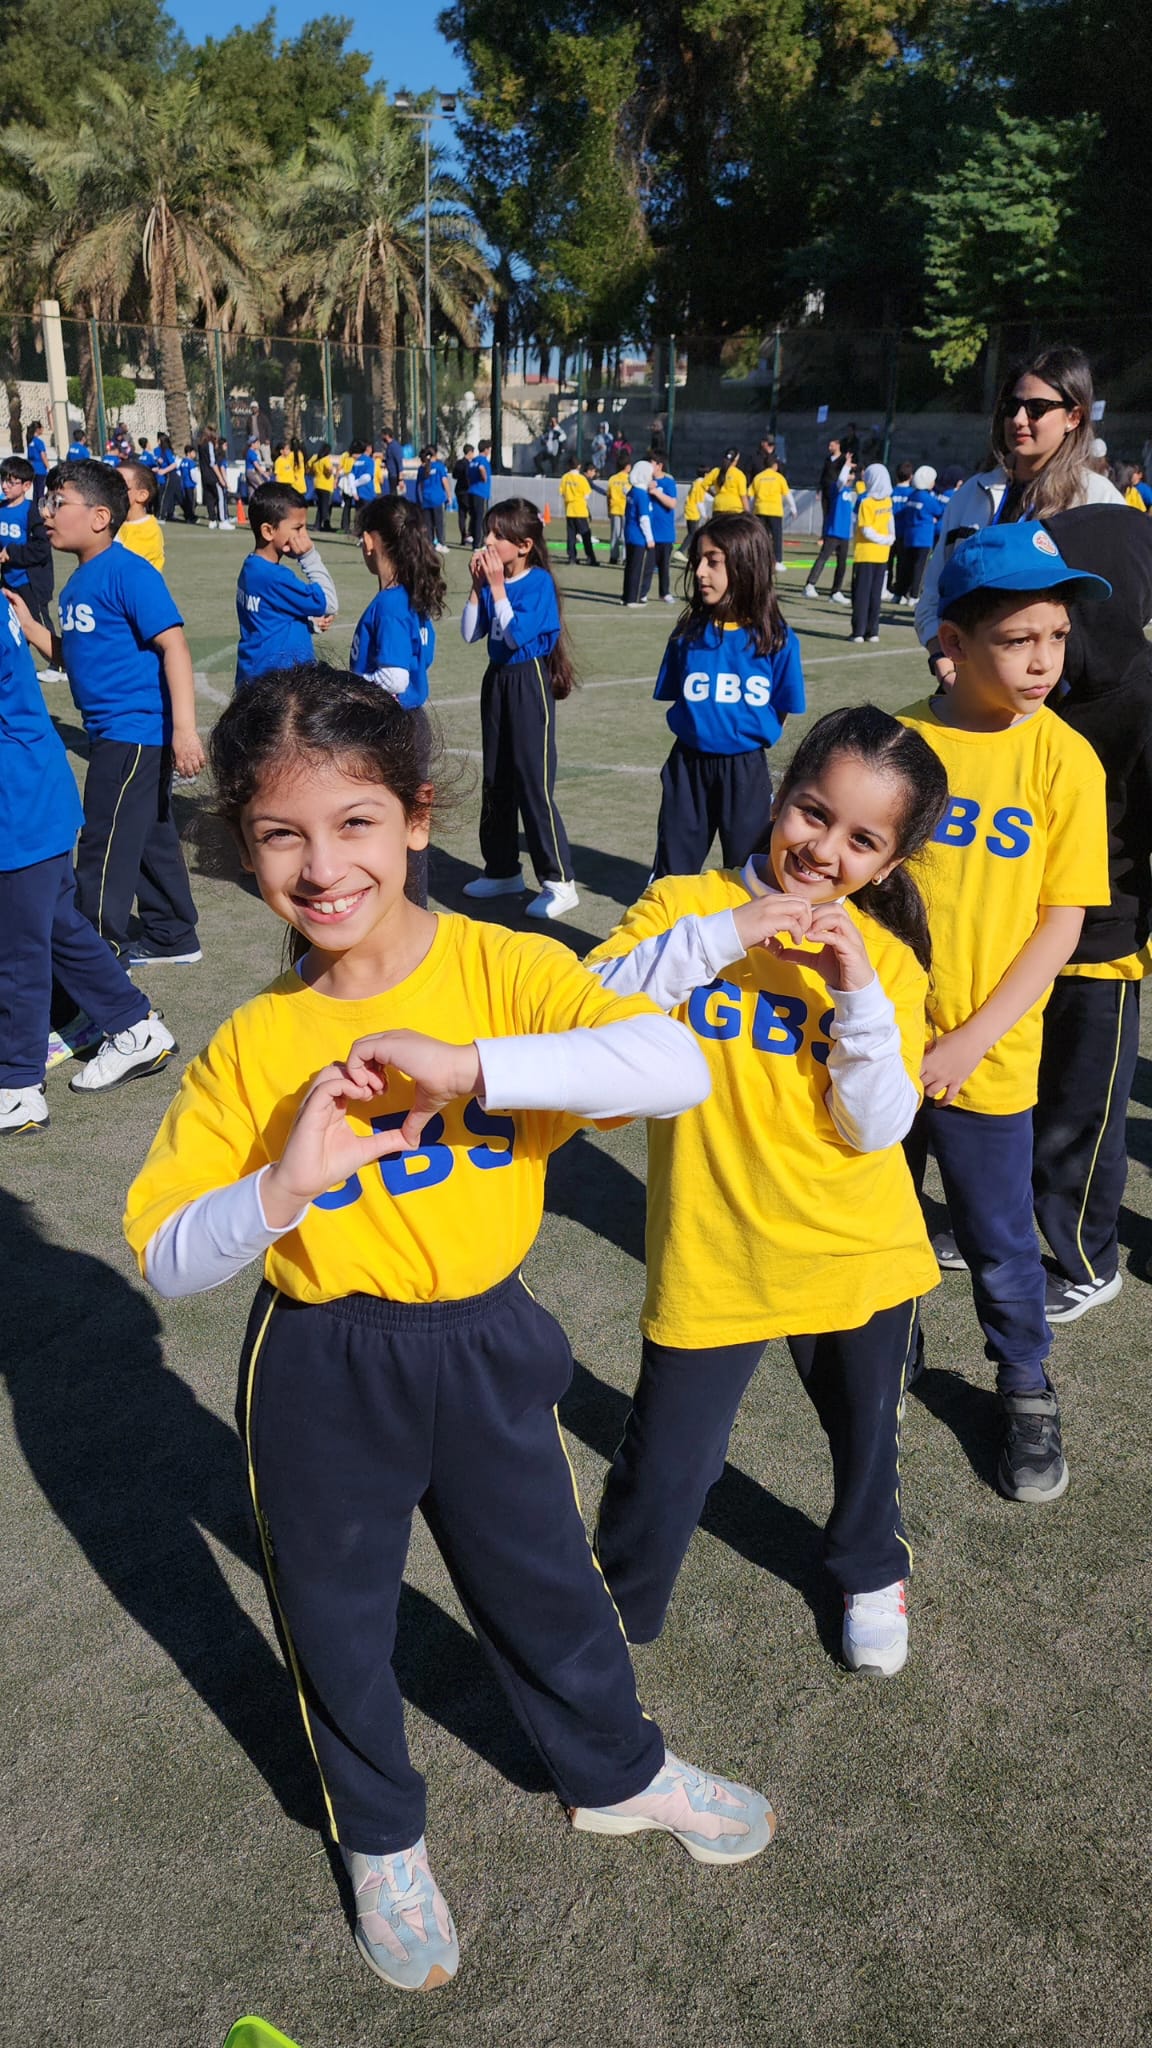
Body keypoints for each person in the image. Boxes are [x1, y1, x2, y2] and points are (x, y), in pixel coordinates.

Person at [122, 666, 774, 1994]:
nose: (322, 868)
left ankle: (617, 1770)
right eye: (282, 834)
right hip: (322, 1363)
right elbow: (166, 1255)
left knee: (548, 1578)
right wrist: (280, 1189)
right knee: (337, 1615)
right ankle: (380, 1836)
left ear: (418, 815)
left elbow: (673, 1067)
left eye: (355, 822)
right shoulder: (255, 1043)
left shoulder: (507, 969)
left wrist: (475, 1066)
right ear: (244, 844)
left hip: (485, 1339)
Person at [586, 706, 949, 1675]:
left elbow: (876, 1128)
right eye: (813, 812)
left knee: (865, 1437)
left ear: (891, 861)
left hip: (855, 1246)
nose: (824, 849)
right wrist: (723, 934)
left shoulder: (887, 960)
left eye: (862, 839)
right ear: (781, 793)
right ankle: (613, 1611)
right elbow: (582, 1019)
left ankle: (870, 1567)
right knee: (668, 1463)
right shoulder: (684, 906)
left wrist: (858, 994)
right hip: (715, 1249)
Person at [899, 523, 1111, 1502]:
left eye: (1056, 636)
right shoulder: (897, 742)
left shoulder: (1066, 762)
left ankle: (1025, 1383)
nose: (1043, 660)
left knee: (997, 1236)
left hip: (988, 1058)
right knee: (881, 1218)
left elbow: (1061, 927)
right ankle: (884, 1354)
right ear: (954, 641)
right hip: (880, 1049)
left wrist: (969, 1040)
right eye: (1019, 638)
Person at [1030, 504, 1152, 1323]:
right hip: (1019, 926)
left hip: (1101, 942)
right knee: (1020, 1095)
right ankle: (1005, 1220)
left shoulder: (1140, 692)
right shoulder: (1038, 680)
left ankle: (1084, 1259)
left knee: (1081, 1113)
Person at [9, 460, 204, 969]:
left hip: (132, 732)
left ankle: (98, 955)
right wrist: (30, 627)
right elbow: (76, 657)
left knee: (103, 842)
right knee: (147, 835)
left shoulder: (128, 571)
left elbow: (174, 646)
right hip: (112, 733)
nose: (46, 513)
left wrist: (185, 730)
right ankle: (173, 933)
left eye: (58, 503)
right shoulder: (78, 583)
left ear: (100, 517)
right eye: (46, 502)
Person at [0, 589, 179, 1135]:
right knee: (58, 928)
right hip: (32, 794)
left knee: (19, 950)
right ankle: (135, 1026)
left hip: (20, 806)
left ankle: (17, 1086)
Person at [916, 346, 1124, 687]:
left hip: (1056, 702)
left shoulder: (1100, 501)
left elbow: (1119, 614)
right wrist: (941, 658)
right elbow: (932, 596)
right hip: (965, 691)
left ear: (1074, 417)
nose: (1018, 419)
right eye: (1011, 407)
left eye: (1037, 408)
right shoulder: (970, 494)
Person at [650, 512, 805, 879]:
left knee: (749, 871)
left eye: (713, 561)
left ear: (745, 565)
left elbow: (783, 707)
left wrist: (742, 736)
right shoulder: (687, 634)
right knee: (674, 872)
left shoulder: (777, 639)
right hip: (687, 767)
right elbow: (675, 696)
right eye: (699, 560)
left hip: (745, 771)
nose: (700, 572)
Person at [461, 497, 579, 921]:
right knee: (496, 779)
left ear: (524, 545)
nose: (488, 541)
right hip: (496, 681)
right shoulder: (496, 582)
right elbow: (470, 633)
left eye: (498, 535)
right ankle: (502, 869)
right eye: (488, 532)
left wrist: (496, 588)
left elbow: (515, 637)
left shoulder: (538, 583)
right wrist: (477, 587)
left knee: (533, 780)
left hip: (527, 680)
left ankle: (559, 881)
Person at [351, 495, 444, 909]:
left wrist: (347, 686)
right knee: (406, 830)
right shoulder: (409, 597)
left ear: (371, 541)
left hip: (392, 727)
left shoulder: (390, 603)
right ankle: (407, 912)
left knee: (395, 832)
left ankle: (405, 916)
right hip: (407, 723)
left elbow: (394, 678)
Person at [234, 482, 338, 690]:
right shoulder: (275, 577)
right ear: (268, 531)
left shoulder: (251, 568)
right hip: (281, 684)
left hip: (255, 678)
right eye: (298, 528)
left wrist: (309, 624)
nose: (304, 536)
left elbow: (270, 618)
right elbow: (329, 602)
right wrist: (309, 557)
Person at [0, 455, 54, 632]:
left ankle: (55, 652)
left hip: (30, 583)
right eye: (3, 480)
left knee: (39, 628)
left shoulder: (33, 511)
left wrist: (11, 552)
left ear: (26, 486)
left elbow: (42, 549)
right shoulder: (1, 508)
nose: (4, 486)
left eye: (11, 482)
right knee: (11, 627)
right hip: (8, 580)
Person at [849, 463, 894, 643]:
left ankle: (861, 631)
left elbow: (866, 529)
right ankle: (870, 631)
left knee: (864, 594)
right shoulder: (885, 501)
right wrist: (889, 538)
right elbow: (889, 523)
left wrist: (886, 539)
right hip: (880, 554)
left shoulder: (866, 502)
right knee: (873, 594)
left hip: (867, 554)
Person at [804, 461, 857, 605]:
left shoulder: (849, 492)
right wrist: (846, 465)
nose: (852, 476)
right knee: (823, 558)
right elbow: (841, 480)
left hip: (845, 534)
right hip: (834, 531)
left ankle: (836, 592)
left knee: (842, 563)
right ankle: (810, 585)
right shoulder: (836, 488)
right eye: (850, 474)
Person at [894, 467, 945, 606]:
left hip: (909, 535)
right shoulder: (927, 498)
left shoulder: (912, 495)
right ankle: (914, 595)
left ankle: (899, 593)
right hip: (923, 538)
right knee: (920, 568)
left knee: (906, 566)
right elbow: (939, 510)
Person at [748, 451, 797, 573]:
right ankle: (777, 561)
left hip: (760, 510)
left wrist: (750, 510)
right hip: (775, 511)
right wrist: (793, 509)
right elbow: (787, 495)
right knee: (776, 537)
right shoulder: (779, 478)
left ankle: (759, 560)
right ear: (775, 465)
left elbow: (751, 496)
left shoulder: (758, 477)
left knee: (761, 537)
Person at [641, 454, 678, 602]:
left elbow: (672, 503)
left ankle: (664, 593)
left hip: (665, 532)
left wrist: (656, 492)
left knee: (664, 566)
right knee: (648, 566)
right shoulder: (644, 482)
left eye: (651, 463)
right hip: (649, 533)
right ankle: (642, 593)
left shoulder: (669, 482)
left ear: (659, 465)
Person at [116, 460, 165, 572]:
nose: (111, 489)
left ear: (142, 495)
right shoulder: (116, 522)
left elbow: (124, 567)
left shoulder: (148, 531)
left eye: (120, 486)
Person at [621, 457, 655, 608]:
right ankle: (632, 599)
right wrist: (650, 538)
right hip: (639, 537)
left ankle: (626, 596)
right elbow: (644, 518)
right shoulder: (641, 494)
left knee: (629, 567)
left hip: (629, 533)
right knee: (637, 569)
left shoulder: (632, 492)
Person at [559, 457, 597, 565]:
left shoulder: (565, 477)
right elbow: (587, 495)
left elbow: (562, 493)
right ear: (579, 466)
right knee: (585, 535)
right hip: (580, 510)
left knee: (571, 536)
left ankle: (572, 557)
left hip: (569, 510)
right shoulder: (581, 479)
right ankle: (590, 557)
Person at [888, 461, 916, 598]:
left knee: (887, 562)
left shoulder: (890, 492)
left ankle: (886, 586)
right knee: (903, 563)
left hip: (889, 532)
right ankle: (900, 589)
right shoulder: (913, 494)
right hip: (905, 533)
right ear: (911, 476)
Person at [415, 446, 450, 552]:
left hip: (426, 499)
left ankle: (430, 544)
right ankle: (441, 543)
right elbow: (444, 481)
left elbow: (420, 485)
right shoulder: (439, 467)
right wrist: (449, 495)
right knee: (439, 522)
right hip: (437, 498)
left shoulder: (421, 469)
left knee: (428, 524)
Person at [198, 426, 232, 530]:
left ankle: (212, 520)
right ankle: (222, 521)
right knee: (220, 498)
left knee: (209, 499)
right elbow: (212, 463)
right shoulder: (209, 444)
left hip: (204, 476)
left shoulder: (200, 445)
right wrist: (220, 478)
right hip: (212, 476)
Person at [702, 448, 748, 516]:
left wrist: (714, 494)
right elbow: (743, 496)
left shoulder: (716, 471)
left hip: (718, 506)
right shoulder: (739, 474)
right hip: (734, 508)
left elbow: (704, 484)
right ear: (736, 460)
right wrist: (747, 512)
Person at [604, 455, 631, 565]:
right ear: (627, 466)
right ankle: (625, 557)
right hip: (626, 509)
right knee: (625, 534)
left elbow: (608, 496)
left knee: (615, 534)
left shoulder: (613, 478)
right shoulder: (630, 479)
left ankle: (613, 557)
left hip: (614, 509)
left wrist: (608, 509)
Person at [467, 440, 493, 547]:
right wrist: (484, 477)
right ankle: (479, 543)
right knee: (481, 518)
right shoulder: (483, 461)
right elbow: (481, 468)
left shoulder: (473, 461)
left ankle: (474, 539)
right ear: (486, 450)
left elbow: (468, 475)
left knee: (474, 517)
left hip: (472, 491)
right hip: (481, 493)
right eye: (489, 449)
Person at [154, 434, 180, 522]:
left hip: (170, 475)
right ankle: (167, 514)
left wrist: (164, 471)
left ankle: (162, 516)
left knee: (165, 497)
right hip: (165, 476)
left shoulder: (167, 451)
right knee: (166, 496)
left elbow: (174, 464)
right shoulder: (158, 451)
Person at [309, 445, 336, 533]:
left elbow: (309, 465)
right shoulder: (326, 459)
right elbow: (329, 469)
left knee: (320, 506)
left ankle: (317, 525)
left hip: (317, 483)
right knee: (325, 506)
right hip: (325, 485)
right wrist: (330, 473)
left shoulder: (316, 459)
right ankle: (326, 523)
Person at [452, 446, 473, 545]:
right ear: (470, 452)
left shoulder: (459, 463)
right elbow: (468, 477)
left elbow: (454, 475)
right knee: (473, 513)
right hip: (467, 491)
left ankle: (463, 537)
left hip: (459, 490)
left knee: (462, 514)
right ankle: (469, 535)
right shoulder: (468, 464)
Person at [26, 420, 49, 509]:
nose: (43, 430)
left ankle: (35, 508)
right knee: (40, 491)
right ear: (38, 429)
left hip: (33, 469)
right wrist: (48, 467)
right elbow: (43, 455)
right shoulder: (39, 442)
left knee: (35, 490)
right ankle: (41, 509)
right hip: (40, 469)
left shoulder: (30, 441)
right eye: (41, 428)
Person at [177, 445, 198, 525]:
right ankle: (191, 517)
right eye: (193, 452)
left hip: (183, 484)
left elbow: (179, 472)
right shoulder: (191, 462)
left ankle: (187, 516)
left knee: (186, 501)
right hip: (190, 485)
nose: (194, 454)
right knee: (191, 502)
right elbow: (193, 474)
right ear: (189, 453)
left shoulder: (182, 462)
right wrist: (195, 481)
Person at [380, 429, 405, 498]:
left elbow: (399, 463)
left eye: (382, 436)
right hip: (391, 474)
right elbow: (390, 460)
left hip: (395, 476)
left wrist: (401, 479)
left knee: (395, 495)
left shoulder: (394, 446)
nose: (381, 438)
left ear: (387, 435)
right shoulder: (389, 446)